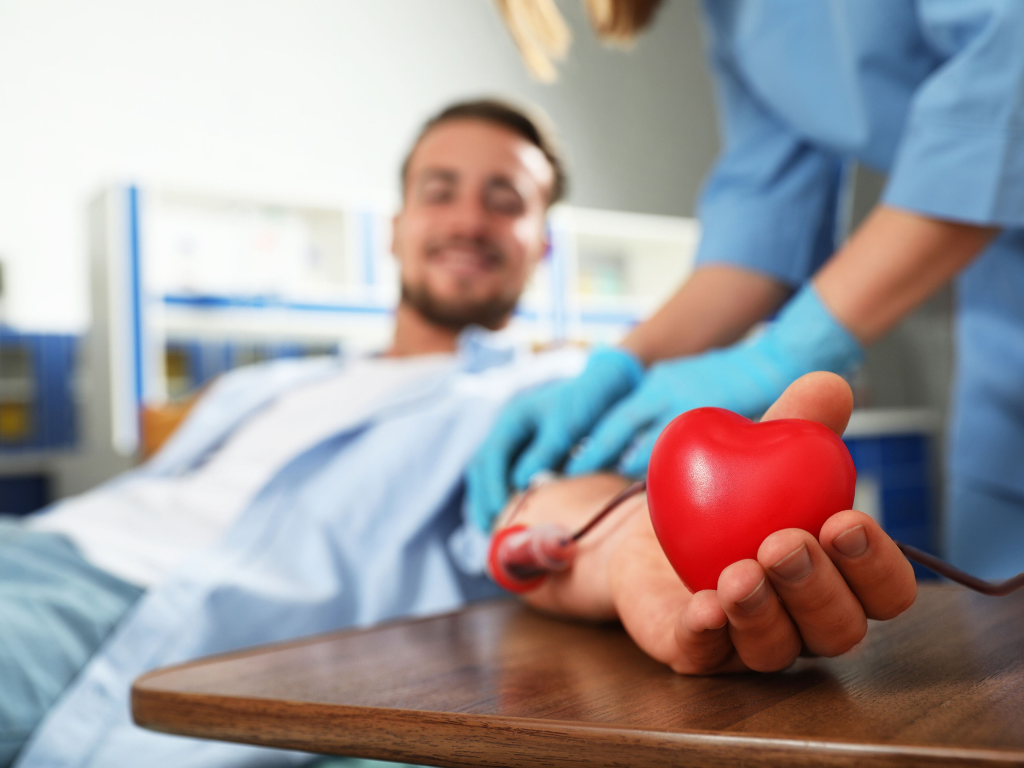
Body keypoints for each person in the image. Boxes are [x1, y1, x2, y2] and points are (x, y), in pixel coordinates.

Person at [3, 98, 582, 768]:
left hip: (132, 604)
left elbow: (560, 519)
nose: (467, 220)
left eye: (504, 199)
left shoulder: (541, 396)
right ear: (394, 230)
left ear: (542, 243)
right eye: (440, 191)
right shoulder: (273, 382)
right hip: (39, 537)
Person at [472, 0, 1024, 581]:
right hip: (1003, 365)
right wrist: (625, 363)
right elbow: (764, 214)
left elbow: (1005, 89)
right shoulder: (734, 17)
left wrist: (790, 350)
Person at [502, 372, 918, 675]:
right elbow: (504, 526)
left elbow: (519, 512)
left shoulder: (548, 384)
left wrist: (618, 539)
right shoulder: (518, 398)